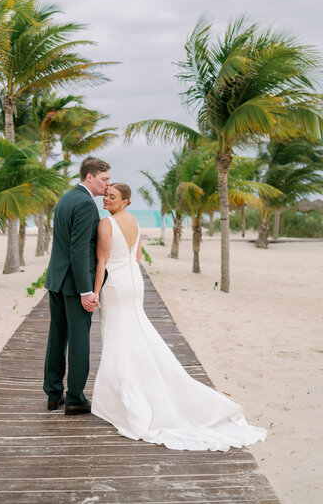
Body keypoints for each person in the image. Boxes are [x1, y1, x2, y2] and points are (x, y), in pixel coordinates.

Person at [91, 183, 267, 451]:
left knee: (117, 336)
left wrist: (94, 293)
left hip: (115, 285)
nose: (106, 199)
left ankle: (126, 394)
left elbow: (102, 261)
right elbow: (136, 257)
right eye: (105, 195)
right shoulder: (135, 221)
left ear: (125, 200)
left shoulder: (106, 224)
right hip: (134, 281)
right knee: (135, 330)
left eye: (112, 196)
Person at [43, 156, 111, 416]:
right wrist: (87, 291)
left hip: (57, 281)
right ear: (89, 176)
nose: (107, 184)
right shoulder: (84, 204)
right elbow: (80, 250)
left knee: (57, 337)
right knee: (80, 341)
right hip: (74, 285)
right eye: (104, 179)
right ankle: (75, 398)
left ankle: (53, 393)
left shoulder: (66, 198)